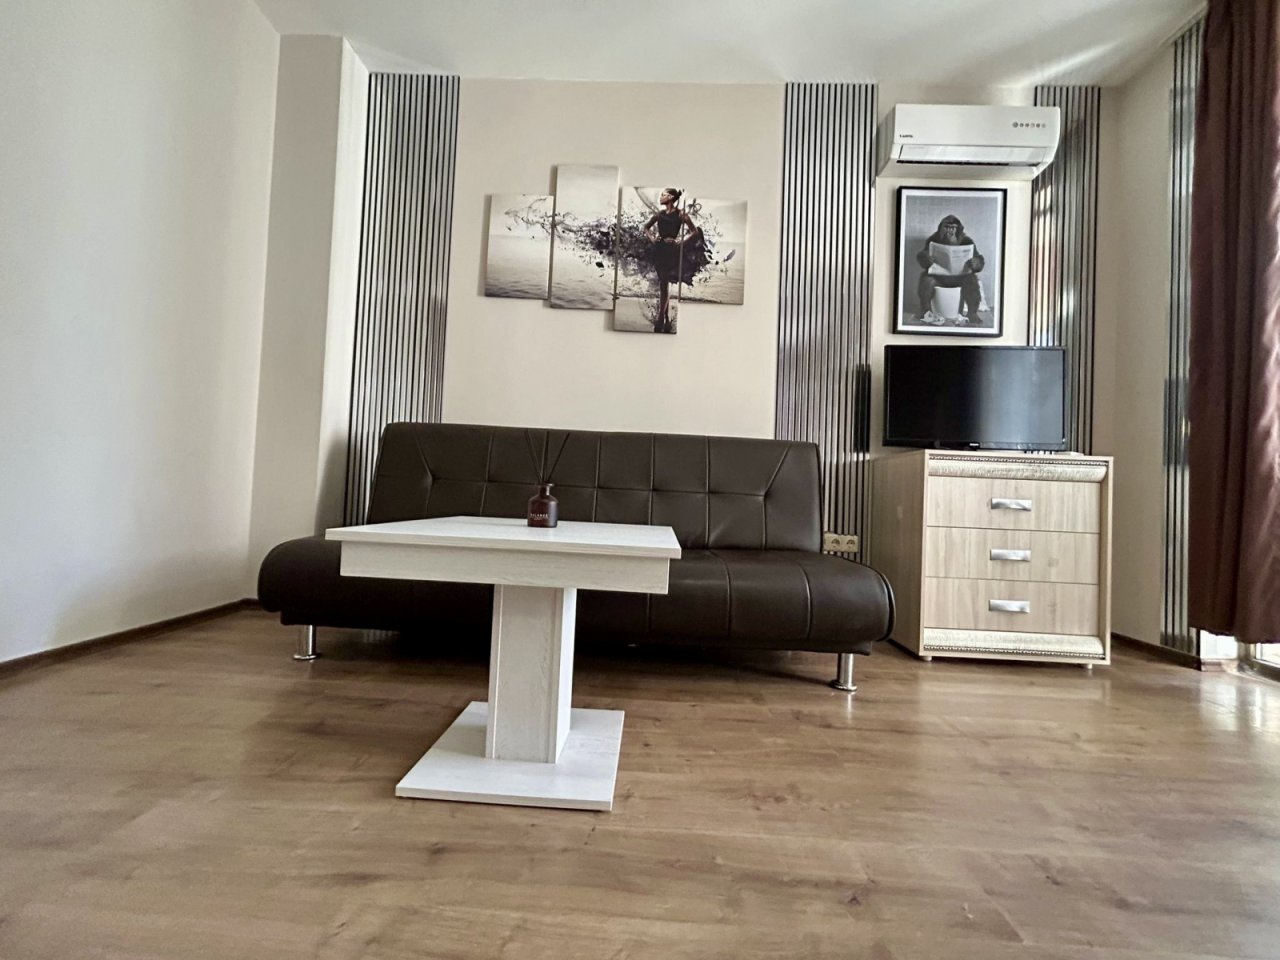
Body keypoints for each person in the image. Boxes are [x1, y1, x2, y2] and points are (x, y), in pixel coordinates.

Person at [642, 188, 701, 333]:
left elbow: (694, 232)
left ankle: (660, 318)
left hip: (672, 252)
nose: (660, 197)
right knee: (664, 284)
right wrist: (652, 239)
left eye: (663, 195)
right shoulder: (659, 214)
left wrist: (681, 241)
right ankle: (666, 318)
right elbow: (646, 227)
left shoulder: (681, 214)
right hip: (659, 250)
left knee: (664, 283)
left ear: (670, 197)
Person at [915, 214, 985, 325]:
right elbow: (922, 257)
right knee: (926, 279)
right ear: (940, 228)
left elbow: (979, 260)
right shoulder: (933, 240)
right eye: (947, 227)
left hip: (961, 277)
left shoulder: (967, 241)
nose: (950, 232)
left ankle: (972, 313)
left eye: (953, 228)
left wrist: (976, 263)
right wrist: (926, 259)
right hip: (938, 277)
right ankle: (925, 311)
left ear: (959, 230)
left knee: (972, 280)